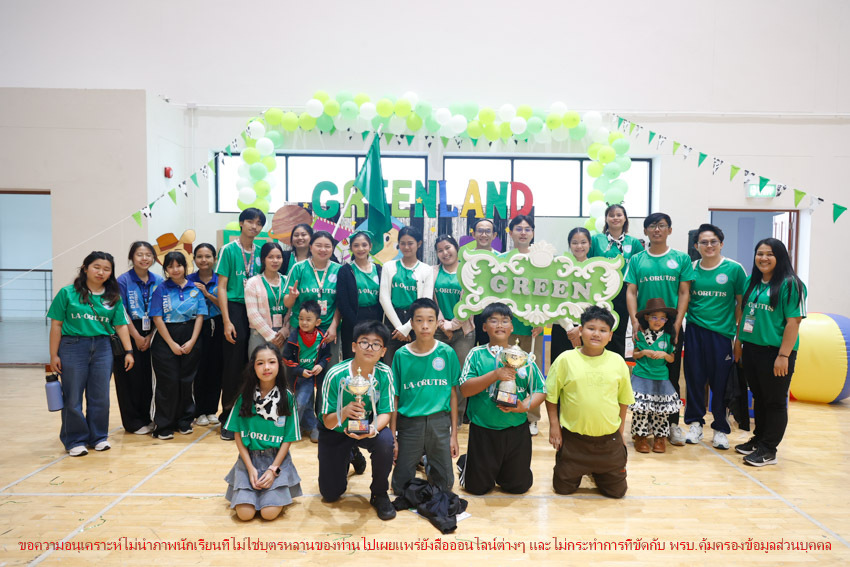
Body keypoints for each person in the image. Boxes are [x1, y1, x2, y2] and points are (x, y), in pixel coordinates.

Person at [48, 251, 134, 456]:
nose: (101, 272)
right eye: (96, 267)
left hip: (103, 348)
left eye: (106, 269)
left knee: (100, 396)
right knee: (73, 396)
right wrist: (53, 355)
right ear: (85, 268)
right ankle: (75, 439)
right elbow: (56, 325)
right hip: (72, 346)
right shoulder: (67, 293)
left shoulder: (113, 297)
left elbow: (121, 325)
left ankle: (99, 437)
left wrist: (129, 351)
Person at [457, 302, 546, 495]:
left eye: (505, 321)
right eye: (493, 320)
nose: (499, 325)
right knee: (476, 488)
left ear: (512, 327)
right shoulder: (476, 354)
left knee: (519, 487)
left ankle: (501, 468)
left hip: (516, 430)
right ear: (484, 327)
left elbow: (541, 389)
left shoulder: (523, 357)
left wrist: (523, 406)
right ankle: (466, 462)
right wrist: (496, 374)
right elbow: (465, 390)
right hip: (483, 430)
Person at [545, 306, 634, 498]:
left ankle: (598, 472)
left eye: (603, 330)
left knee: (617, 493)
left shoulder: (617, 361)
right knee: (563, 489)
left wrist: (620, 432)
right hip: (573, 441)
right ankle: (581, 469)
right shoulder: (565, 360)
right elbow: (551, 396)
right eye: (591, 328)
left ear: (610, 336)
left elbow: (624, 399)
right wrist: (554, 426)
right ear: (580, 330)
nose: (596, 334)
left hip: (608, 442)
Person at [733, 238, 806, 467]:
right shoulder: (751, 282)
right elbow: (744, 315)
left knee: (774, 402)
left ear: (780, 257)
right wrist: (738, 342)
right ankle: (759, 439)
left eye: (769, 254)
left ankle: (769, 449)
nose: (763, 258)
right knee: (759, 397)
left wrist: (783, 356)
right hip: (752, 349)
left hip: (776, 353)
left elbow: (793, 323)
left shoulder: (790, 284)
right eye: (760, 253)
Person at [624, 212, 695, 446]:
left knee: (670, 376)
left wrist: (677, 322)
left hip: (670, 325)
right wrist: (635, 321)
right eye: (652, 226)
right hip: (644, 325)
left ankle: (670, 426)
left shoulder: (681, 259)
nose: (657, 229)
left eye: (662, 225)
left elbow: (684, 292)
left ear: (669, 230)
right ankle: (642, 429)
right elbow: (631, 291)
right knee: (643, 374)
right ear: (645, 231)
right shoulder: (637, 260)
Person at [318, 320, 397, 521]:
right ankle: (352, 452)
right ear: (354, 346)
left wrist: (372, 429)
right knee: (330, 494)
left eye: (376, 344)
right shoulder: (335, 374)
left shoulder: (385, 373)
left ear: (383, 351)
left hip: (366, 425)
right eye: (364, 342)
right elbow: (327, 422)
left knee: (385, 441)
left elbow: (386, 413)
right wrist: (344, 412)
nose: (370, 348)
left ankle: (379, 493)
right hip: (336, 430)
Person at [683, 224, 747, 449]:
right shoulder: (690, 268)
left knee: (721, 383)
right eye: (704, 242)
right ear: (696, 246)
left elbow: (741, 304)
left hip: (721, 335)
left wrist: (737, 336)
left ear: (721, 243)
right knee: (694, 380)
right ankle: (695, 424)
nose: (708, 245)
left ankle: (720, 428)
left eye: (713, 242)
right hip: (694, 331)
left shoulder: (734, 269)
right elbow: (684, 298)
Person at [224, 343, 302, 520]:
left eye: (271, 362)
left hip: (276, 460)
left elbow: (288, 439)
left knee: (268, 514)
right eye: (260, 363)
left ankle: (277, 492)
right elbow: (238, 434)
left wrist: (273, 469)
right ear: (253, 367)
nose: (266, 367)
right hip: (249, 459)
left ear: (279, 365)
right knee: (244, 515)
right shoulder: (245, 397)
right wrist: (250, 468)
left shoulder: (287, 398)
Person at [390, 298, 460, 495]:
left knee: (445, 486)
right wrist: (393, 436)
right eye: (419, 320)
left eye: (430, 320)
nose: (425, 326)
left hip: (439, 423)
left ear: (437, 322)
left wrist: (453, 435)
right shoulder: (401, 355)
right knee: (400, 488)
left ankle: (429, 459)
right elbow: (395, 397)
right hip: (410, 425)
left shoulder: (447, 353)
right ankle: (421, 456)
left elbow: (453, 395)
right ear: (411, 323)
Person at [217, 207, 265, 440]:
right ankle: (228, 417)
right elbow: (222, 287)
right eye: (250, 221)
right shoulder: (228, 250)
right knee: (233, 366)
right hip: (236, 309)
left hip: (258, 308)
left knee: (255, 364)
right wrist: (227, 321)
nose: (254, 226)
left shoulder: (262, 252)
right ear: (241, 223)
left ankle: (250, 413)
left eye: (259, 223)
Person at [149, 251, 207, 440]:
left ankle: (185, 421)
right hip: (165, 338)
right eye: (170, 266)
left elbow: (200, 316)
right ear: (166, 269)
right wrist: (172, 344)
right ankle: (163, 424)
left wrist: (192, 341)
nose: (175, 269)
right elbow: (157, 318)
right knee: (168, 382)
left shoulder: (195, 289)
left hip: (191, 335)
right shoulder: (161, 289)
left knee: (187, 381)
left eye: (179, 265)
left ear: (185, 266)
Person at [502, 215, 545, 436]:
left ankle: (532, 417)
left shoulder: (541, 260)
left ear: (533, 233)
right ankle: (505, 408)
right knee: (506, 370)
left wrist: (543, 320)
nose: (523, 232)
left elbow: (548, 293)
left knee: (531, 374)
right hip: (507, 327)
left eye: (527, 229)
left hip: (533, 328)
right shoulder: (501, 260)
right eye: (518, 228)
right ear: (510, 233)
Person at [115, 241, 162, 435]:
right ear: (132, 257)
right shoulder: (123, 281)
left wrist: (150, 335)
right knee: (130, 379)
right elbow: (121, 311)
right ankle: (132, 422)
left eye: (148, 255)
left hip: (153, 331)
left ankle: (147, 417)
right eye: (140, 254)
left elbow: (161, 310)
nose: (145, 258)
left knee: (147, 378)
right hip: (128, 331)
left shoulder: (158, 280)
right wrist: (136, 336)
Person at [590, 204, 644, 357]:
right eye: (611, 215)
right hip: (599, 292)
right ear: (606, 219)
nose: (615, 218)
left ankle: (616, 363)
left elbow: (639, 267)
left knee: (618, 331)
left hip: (623, 293)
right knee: (597, 328)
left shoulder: (633, 243)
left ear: (625, 218)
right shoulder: (596, 240)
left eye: (619, 215)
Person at [629, 298, 681, 454]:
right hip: (642, 376)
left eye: (662, 318)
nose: (658, 321)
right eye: (654, 317)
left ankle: (660, 438)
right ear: (647, 318)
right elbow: (635, 354)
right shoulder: (640, 335)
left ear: (666, 320)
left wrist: (665, 355)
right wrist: (644, 352)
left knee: (661, 410)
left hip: (661, 378)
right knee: (641, 410)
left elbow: (672, 358)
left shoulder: (668, 337)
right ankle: (640, 436)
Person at [432, 234, 474, 427]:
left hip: (463, 331)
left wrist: (453, 325)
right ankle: (438, 414)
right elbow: (431, 301)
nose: (445, 253)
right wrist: (443, 324)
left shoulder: (468, 271)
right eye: (440, 250)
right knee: (437, 373)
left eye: (448, 248)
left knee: (460, 375)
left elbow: (469, 302)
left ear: (456, 248)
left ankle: (456, 417)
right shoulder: (433, 272)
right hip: (438, 330)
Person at [378, 225, 434, 364]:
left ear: (419, 244)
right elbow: (384, 298)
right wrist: (400, 328)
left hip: (417, 321)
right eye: (402, 243)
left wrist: (408, 327)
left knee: (415, 364)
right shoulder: (388, 266)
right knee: (390, 364)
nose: (406, 247)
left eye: (410, 243)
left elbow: (425, 302)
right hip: (392, 321)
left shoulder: (426, 270)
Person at [284, 230, 341, 366]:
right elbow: (287, 303)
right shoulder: (298, 268)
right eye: (318, 245)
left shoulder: (339, 270)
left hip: (328, 330)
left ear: (333, 249)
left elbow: (340, 303)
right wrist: (292, 297)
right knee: (299, 369)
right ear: (310, 247)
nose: (323, 250)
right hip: (301, 328)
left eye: (327, 246)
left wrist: (334, 326)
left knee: (328, 368)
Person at [282, 300, 332, 443]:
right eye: (301, 319)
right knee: (306, 404)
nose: (304, 322)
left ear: (317, 322)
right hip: (295, 377)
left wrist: (321, 365)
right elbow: (286, 358)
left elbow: (327, 356)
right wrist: (299, 370)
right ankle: (311, 426)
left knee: (301, 402)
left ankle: (292, 429)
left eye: (308, 319)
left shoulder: (322, 337)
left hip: (310, 378)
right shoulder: (294, 337)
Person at [187, 243, 223, 427]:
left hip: (218, 325)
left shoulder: (221, 279)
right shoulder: (188, 280)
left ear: (215, 259)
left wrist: (206, 294)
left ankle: (211, 410)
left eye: (208, 256)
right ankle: (199, 411)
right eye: (199, 256)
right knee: (199, 368)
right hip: (196, 326)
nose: (204, 260)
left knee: (216, 368)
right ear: (194, 259)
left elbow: (225, 303)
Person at [337, 231, 384, 361]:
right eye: (356, 245)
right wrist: (356, 325)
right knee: (353, 359)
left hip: (375, 319)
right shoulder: (345, 270)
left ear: (370, 247)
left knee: (374, 357)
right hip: (353, 321)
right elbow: (343, 303)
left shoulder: (379, 269)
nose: (360, 249)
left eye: (364, 245)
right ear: (351, 248)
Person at [550, 227, 591, 362]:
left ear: (589, 244)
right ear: (569, 245)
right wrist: (569, 327)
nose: (579, 246)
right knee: (561, 368)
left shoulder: (595, 269)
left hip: (587, 329)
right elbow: (554, 300)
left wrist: (580, 328)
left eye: (583, 242)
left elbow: (597, 304)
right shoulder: (559, 268)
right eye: (574, 242)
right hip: (562, 328)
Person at [246, 241, 288, 355]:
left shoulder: (287, 280)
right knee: (259, 365)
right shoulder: (253, 282)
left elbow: (292, 310)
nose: (275, 261)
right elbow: (253, 314)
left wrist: (285, 331)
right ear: (263, 259)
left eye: (278, 257)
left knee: (283, 366)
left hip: (283, 335)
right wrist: (271, 336)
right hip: (260, 334)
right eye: (270, 257)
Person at [470, 218, 497, 347]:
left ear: (494, 235)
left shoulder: (501, 259)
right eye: (480, 231)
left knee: (491, 351)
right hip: (469, 313)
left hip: (491, 313)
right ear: (473, 234)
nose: (484, 235)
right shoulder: (465, 258)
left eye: (488, 231)